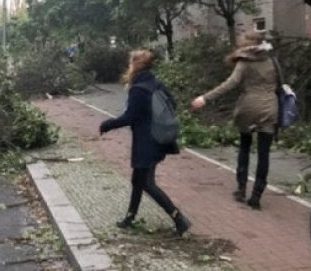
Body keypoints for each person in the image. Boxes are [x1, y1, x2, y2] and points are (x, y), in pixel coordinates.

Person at [99, 49, 191, 235]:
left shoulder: (139, 89)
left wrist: (107, 124)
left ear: (134, 65)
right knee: (138, 180)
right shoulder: (155, 83)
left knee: (147, 183)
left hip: (146, 142)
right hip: (158, 139)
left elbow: (130, 117)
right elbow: (172, 104)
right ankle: (130, 217)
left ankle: (179, 219)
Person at [191, 31, 278, 210]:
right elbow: (282, 84)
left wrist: (205, 98)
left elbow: (231, 83)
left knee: (245, 146)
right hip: (270, 107)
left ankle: (241, 188)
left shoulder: (244, 62)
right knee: (264, 153)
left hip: (248, 107)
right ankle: (257, 195)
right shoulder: (272, 60)